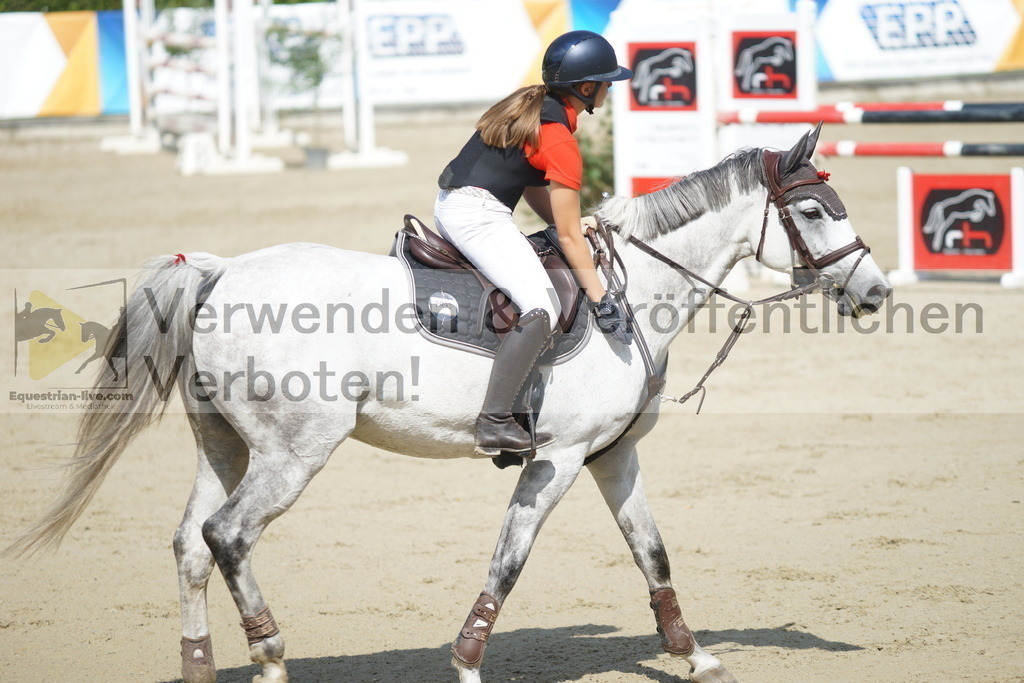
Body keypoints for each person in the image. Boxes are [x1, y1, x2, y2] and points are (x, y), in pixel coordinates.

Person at [434, 30, 634, 458]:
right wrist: (601, 298)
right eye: (606, 81)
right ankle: (494, 422)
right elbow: (567, 237)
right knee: (542, 306)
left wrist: (565, 220)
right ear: (586, 89)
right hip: (477, 215)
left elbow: (529, 185)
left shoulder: (533, 106)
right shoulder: (560, 139)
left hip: (455, 204)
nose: (610, 88)